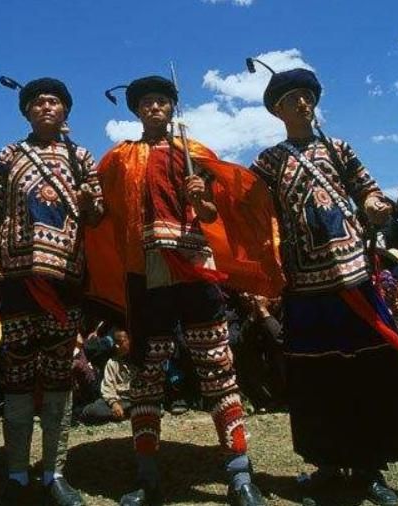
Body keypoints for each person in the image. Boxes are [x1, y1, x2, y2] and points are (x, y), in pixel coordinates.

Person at [248, 61, 398, 505]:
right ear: (278, 111)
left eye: (307, 96)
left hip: (353, 278)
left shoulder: (338, 149)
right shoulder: (271, 160)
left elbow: (368, 188)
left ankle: (371, 468)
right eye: (293, 99)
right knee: (315, 376)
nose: (303, 103)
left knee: (369, 368)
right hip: (304, 286)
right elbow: (245, 201)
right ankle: (328, 464)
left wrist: (374, 204)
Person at [87, 75, 284, 506]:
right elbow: (100, 212)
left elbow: (212, 213)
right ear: (137, 111)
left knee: (217, 366)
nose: (155, 107)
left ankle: (239, 474)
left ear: (172, 108)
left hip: (196, 268)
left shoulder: (195, 153)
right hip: (146, 273)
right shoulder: (120, 158)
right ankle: (147, 476)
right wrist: (87, 202)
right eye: (147, 102)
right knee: (147, 372)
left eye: (162, 101)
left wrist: (201, 198)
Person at [0, 76, 103, 506]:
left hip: (65, 279)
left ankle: (55, 473)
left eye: (54, 101)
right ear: (27, 112)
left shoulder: (80, 156)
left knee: (58, 376)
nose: (46, 107)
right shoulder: (10, 155)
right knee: (16, 376)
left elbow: (96, 216)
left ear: (65, 111)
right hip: (17, 279)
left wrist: (88, 202)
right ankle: (17, 475)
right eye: (37, 102)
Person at [81, 328, 133, 424]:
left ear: (129, 341)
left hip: (134, 399)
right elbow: (108, 387)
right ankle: (121, 413)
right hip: (119, 399)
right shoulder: (112, 363)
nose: (117, 346)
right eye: (116, 343)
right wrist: (114, 403)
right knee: (91, 411)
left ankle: (126, 413)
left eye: (121, 342)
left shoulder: (138, 361)